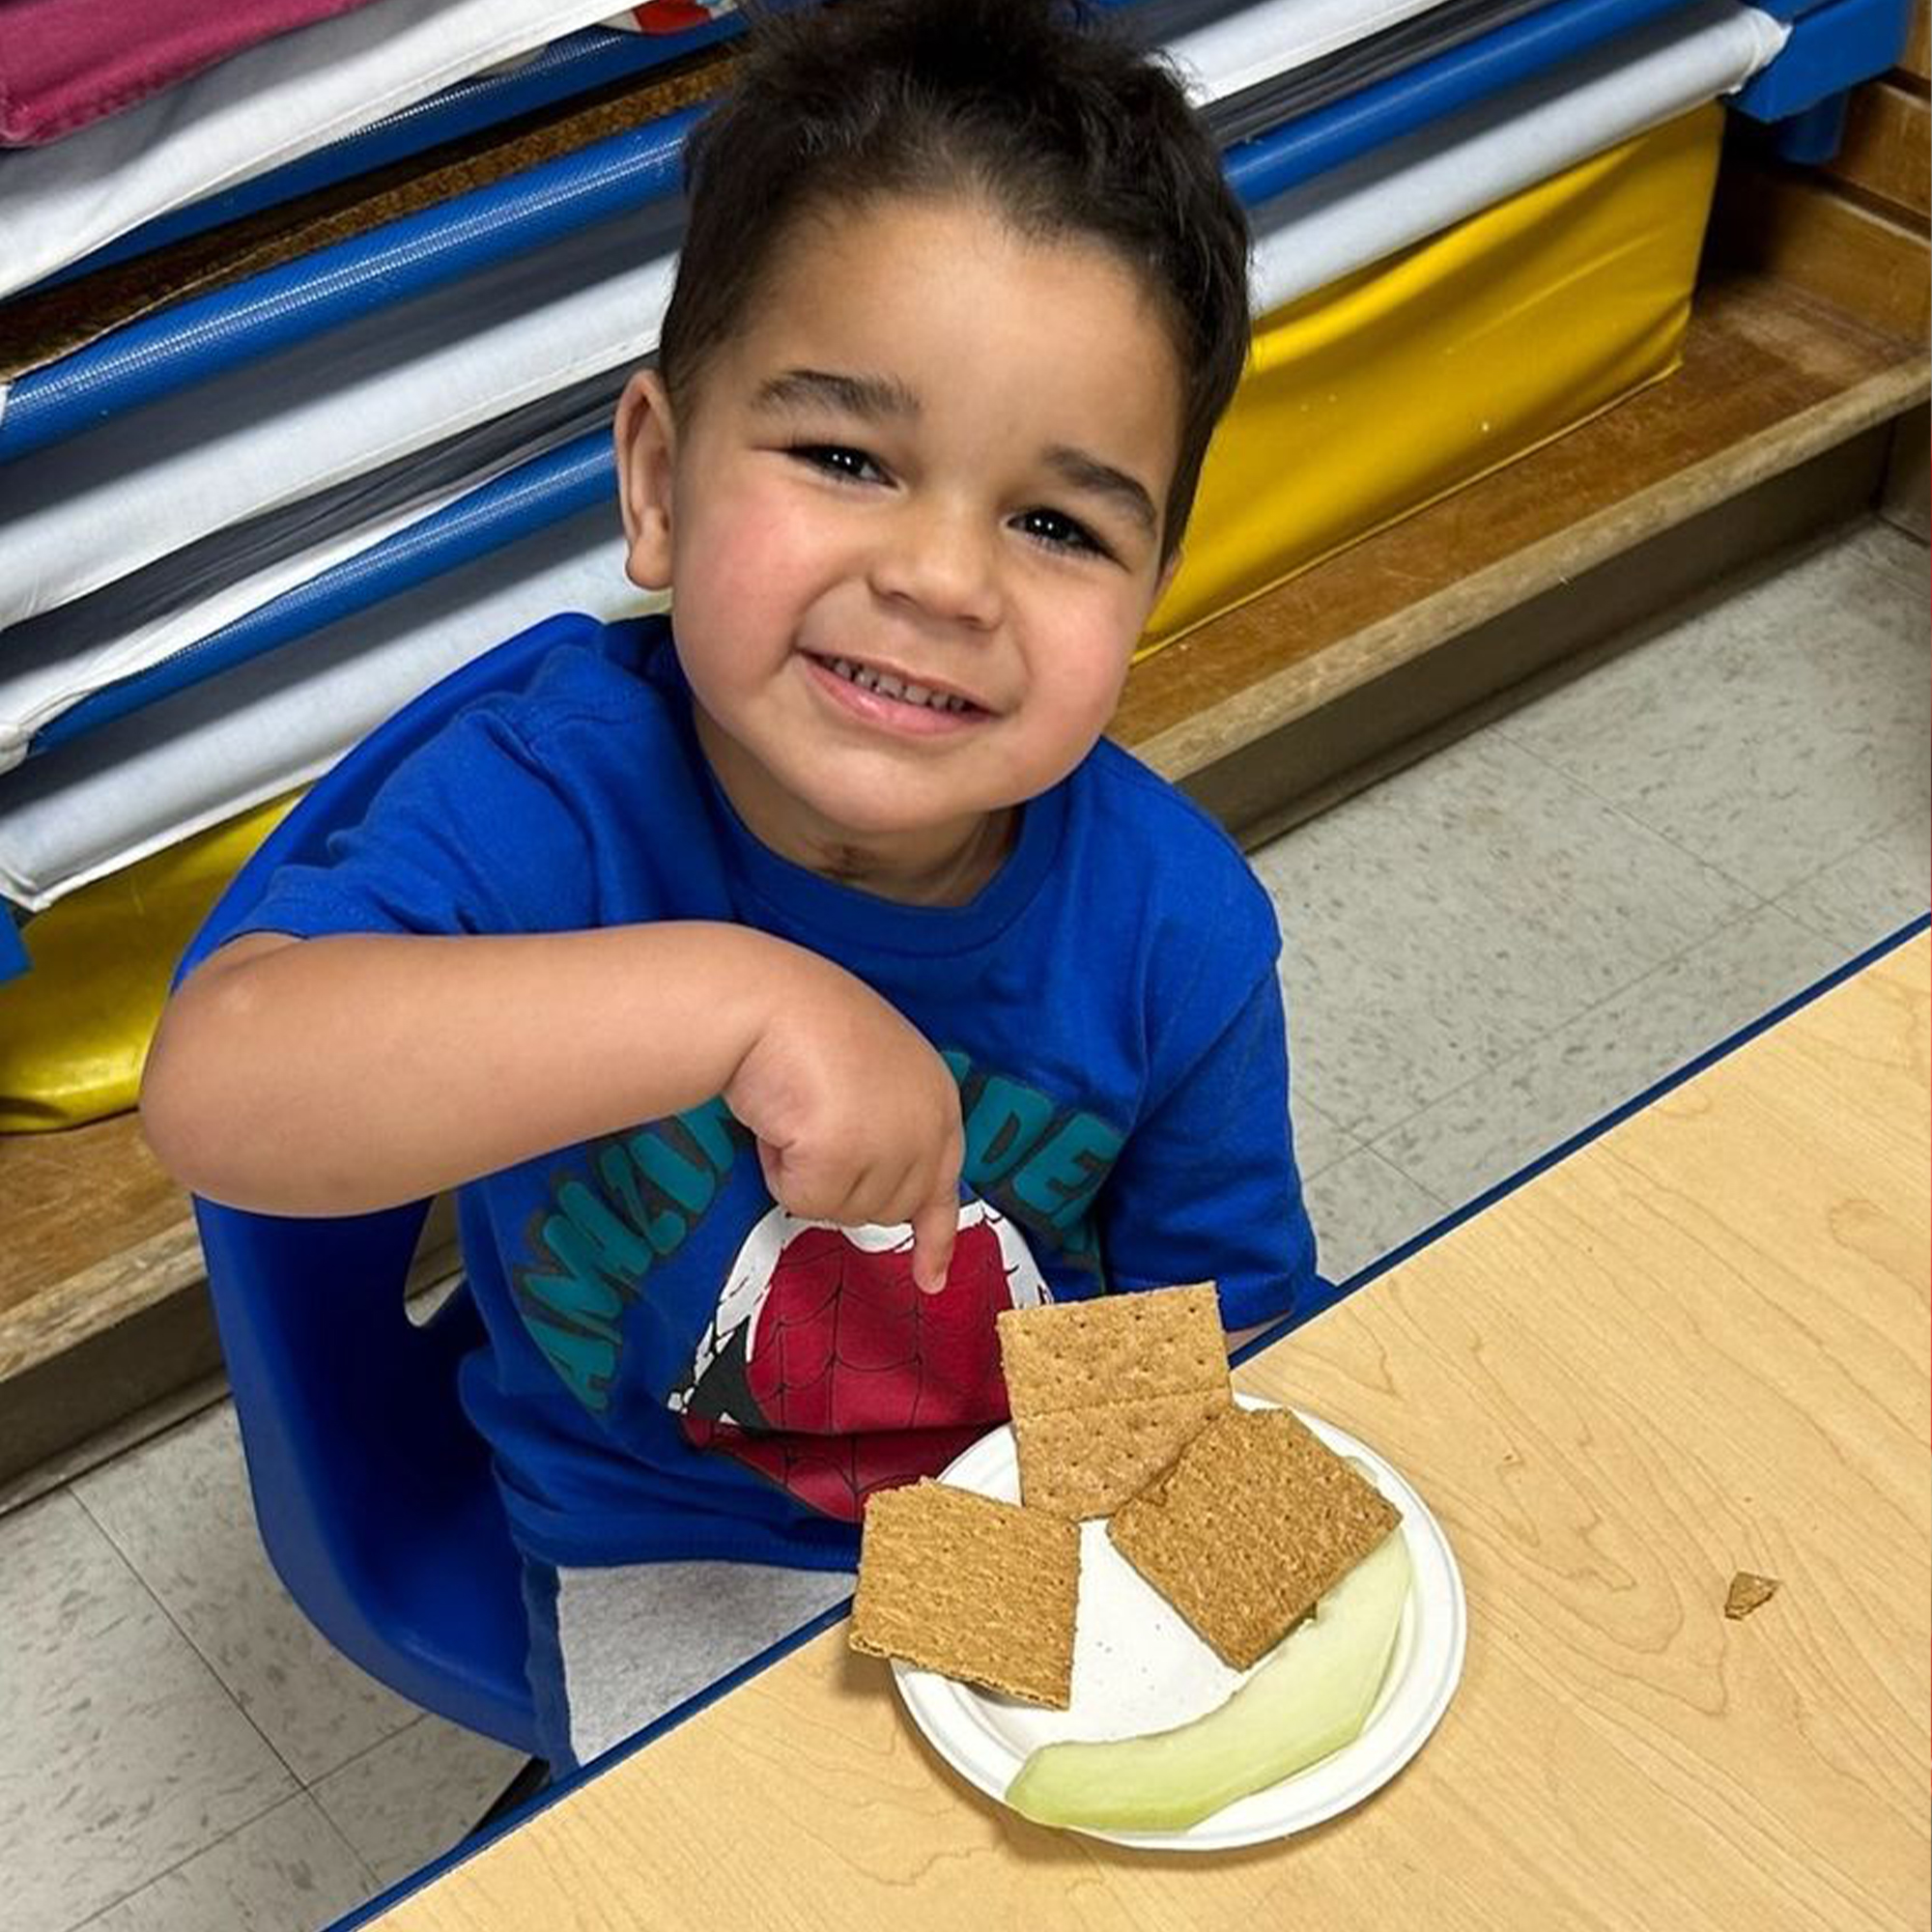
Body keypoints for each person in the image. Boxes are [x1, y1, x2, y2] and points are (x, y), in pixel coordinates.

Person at [140, 0, 1320, 1776]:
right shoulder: (553, 806)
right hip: (663, 1526)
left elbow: (1212, 1341)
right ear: (660, 484)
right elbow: (218, 1095)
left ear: (1149, 586)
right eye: (847, 458)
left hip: (1020, 1510)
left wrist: (1206, 1656)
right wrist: (736, 999)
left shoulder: (1178, 924)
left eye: (1059, 524)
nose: (939, 577)